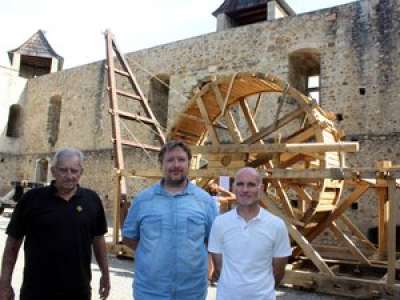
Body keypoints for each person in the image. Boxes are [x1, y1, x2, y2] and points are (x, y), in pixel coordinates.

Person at [0, 148, 110, 300]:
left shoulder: (92, 200)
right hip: (37, 291)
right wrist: (4, 284)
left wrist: (105, 274)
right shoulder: (31, 199)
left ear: (81, 172)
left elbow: (98, 240)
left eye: (74, 171)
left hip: (78, 292)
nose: (69, 176)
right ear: (53, 171)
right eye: (63, 170)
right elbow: (12, 244)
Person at [122, 140, 218, 300]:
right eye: (170, 160)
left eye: (181, 160)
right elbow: (129, 237)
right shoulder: (143, 200)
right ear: (161, 164)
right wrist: (153, 255)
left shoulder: (204, 201)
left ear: (189, 164)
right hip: (150, 291)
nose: (176, 165)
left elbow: (213, 241)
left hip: (191, 292)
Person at [208, 167, 292, 300]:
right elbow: (219, 268)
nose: (245, 189)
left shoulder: (276, 225)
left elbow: (279, 272)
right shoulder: (220, 223)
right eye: (240, 184)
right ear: (234, 188)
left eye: (251, 184)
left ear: (261, 188)